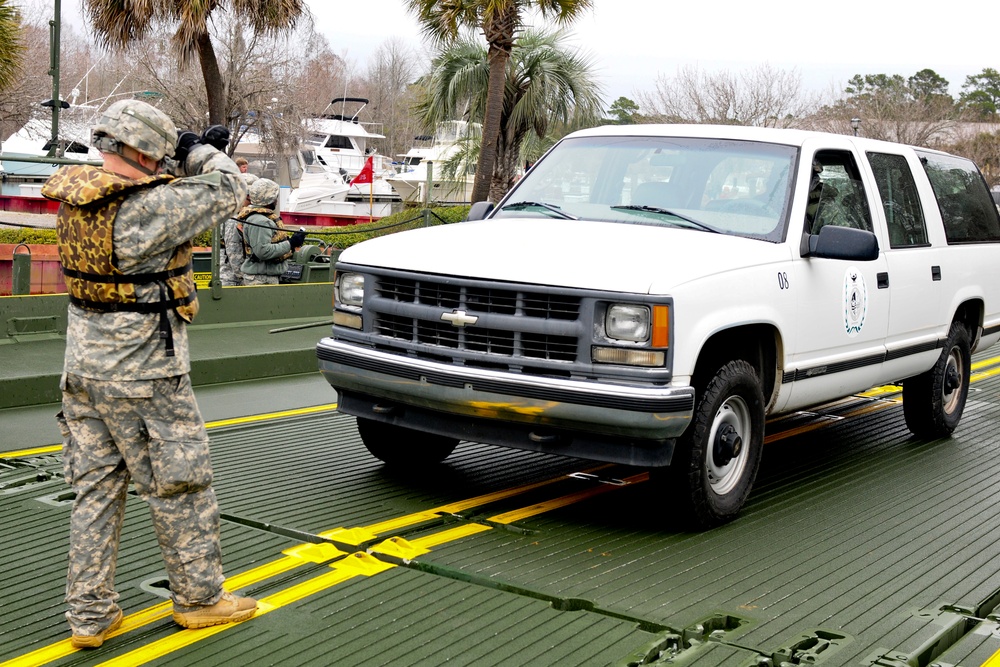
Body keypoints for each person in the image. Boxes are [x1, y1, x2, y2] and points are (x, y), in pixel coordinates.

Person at [40, 99, 257, 649]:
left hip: (82, 371)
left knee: (95, 490)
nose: (164, 165)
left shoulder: (79, 199)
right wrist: (197, 151)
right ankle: (201, 599)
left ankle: (89, 616)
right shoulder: (149, 210)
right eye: (158, 156)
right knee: (181, 486)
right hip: (146, 376)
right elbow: (231, 189)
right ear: (139, 151)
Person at [236, 178, 306, 285]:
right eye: (275, 197)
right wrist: (291, 243)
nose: (276, 200)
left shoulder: (259, 218)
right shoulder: (261, 221)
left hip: (263, 276)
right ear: (269, 199)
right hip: (261, 279)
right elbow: (263, 251)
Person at [219, 173, 257, 286]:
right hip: (233, 280)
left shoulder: (237, 214)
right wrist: (246, 277)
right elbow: (234, 253)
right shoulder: (233, 218)